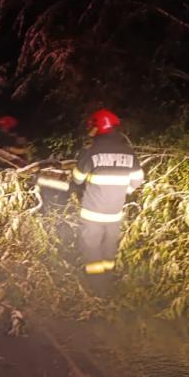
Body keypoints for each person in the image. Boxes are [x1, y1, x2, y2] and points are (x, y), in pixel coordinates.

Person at [70, 109, 144, 276]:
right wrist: (122, 191)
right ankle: (109, 283)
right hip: (115, 213)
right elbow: (137, 180)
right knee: (109, 250)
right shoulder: (128, 152)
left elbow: (77, 179)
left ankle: (96, 287)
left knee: (91, 250)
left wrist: (83, 153)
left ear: (96, 128)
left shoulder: (92, 151)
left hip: (92, 213)